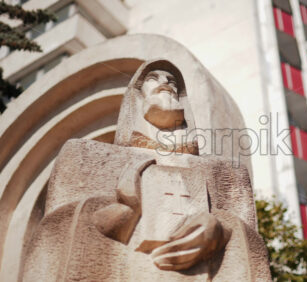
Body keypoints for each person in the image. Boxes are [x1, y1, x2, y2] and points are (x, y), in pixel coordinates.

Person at [22, 59, 270, 281]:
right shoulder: (86, 156)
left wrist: (220, 230)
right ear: (136, 97)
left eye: (172, 80)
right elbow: (54, 234)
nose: (165, 83)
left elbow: (252, 244)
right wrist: (122, 210)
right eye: (154, 78)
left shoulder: (224, 172)